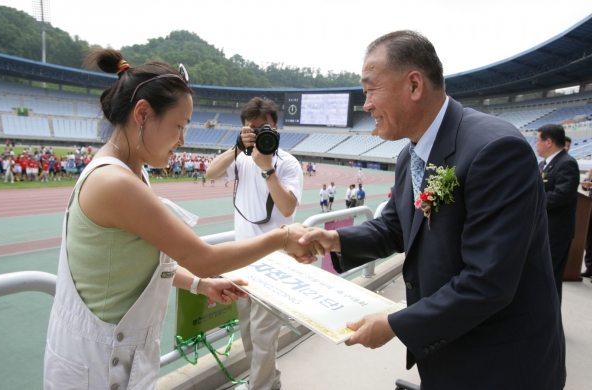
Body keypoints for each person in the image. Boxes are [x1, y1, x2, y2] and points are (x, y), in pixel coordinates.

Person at [296, 30, 565, 389]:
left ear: (414, 85)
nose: (366, 105)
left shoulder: (495, 149)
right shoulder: (411, 152)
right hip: (448, 357)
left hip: (501, 365)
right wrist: (331, 239)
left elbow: (489, 281)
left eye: (370, 89)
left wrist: (395, 325)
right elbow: (393, 227)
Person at [43, 49, 313, 390]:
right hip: (96, 367)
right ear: (142, 114)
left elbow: (136, 264)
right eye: (179, 126)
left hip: (111, 356)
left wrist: (201, 285)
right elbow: (203, 258)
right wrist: (283, 237)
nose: (183, 140)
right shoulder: (115, 182)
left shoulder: (129, 173)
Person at [206, 97, 303, 390]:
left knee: (263, 335)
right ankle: (268, 383)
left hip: (275, 261)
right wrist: (237, 146)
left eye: (265, 128)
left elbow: (287, 208)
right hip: (241, 261)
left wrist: (267, 167)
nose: (260, 133)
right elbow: (210, 173)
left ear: (276, 127)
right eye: (253, 129)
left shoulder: (288, 163)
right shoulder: (240, 157)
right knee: (248, 332)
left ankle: (259, 387)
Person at [536, 124, 580, 302]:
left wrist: (534, 202)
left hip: (556, 231)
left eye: (538, 140)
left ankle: (551, 322)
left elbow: (563, 194)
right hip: (543, 228)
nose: (536, 145)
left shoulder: (567, 163)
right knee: (540, 277)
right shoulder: (544, 164)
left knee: (551, 276)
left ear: (549, 141)